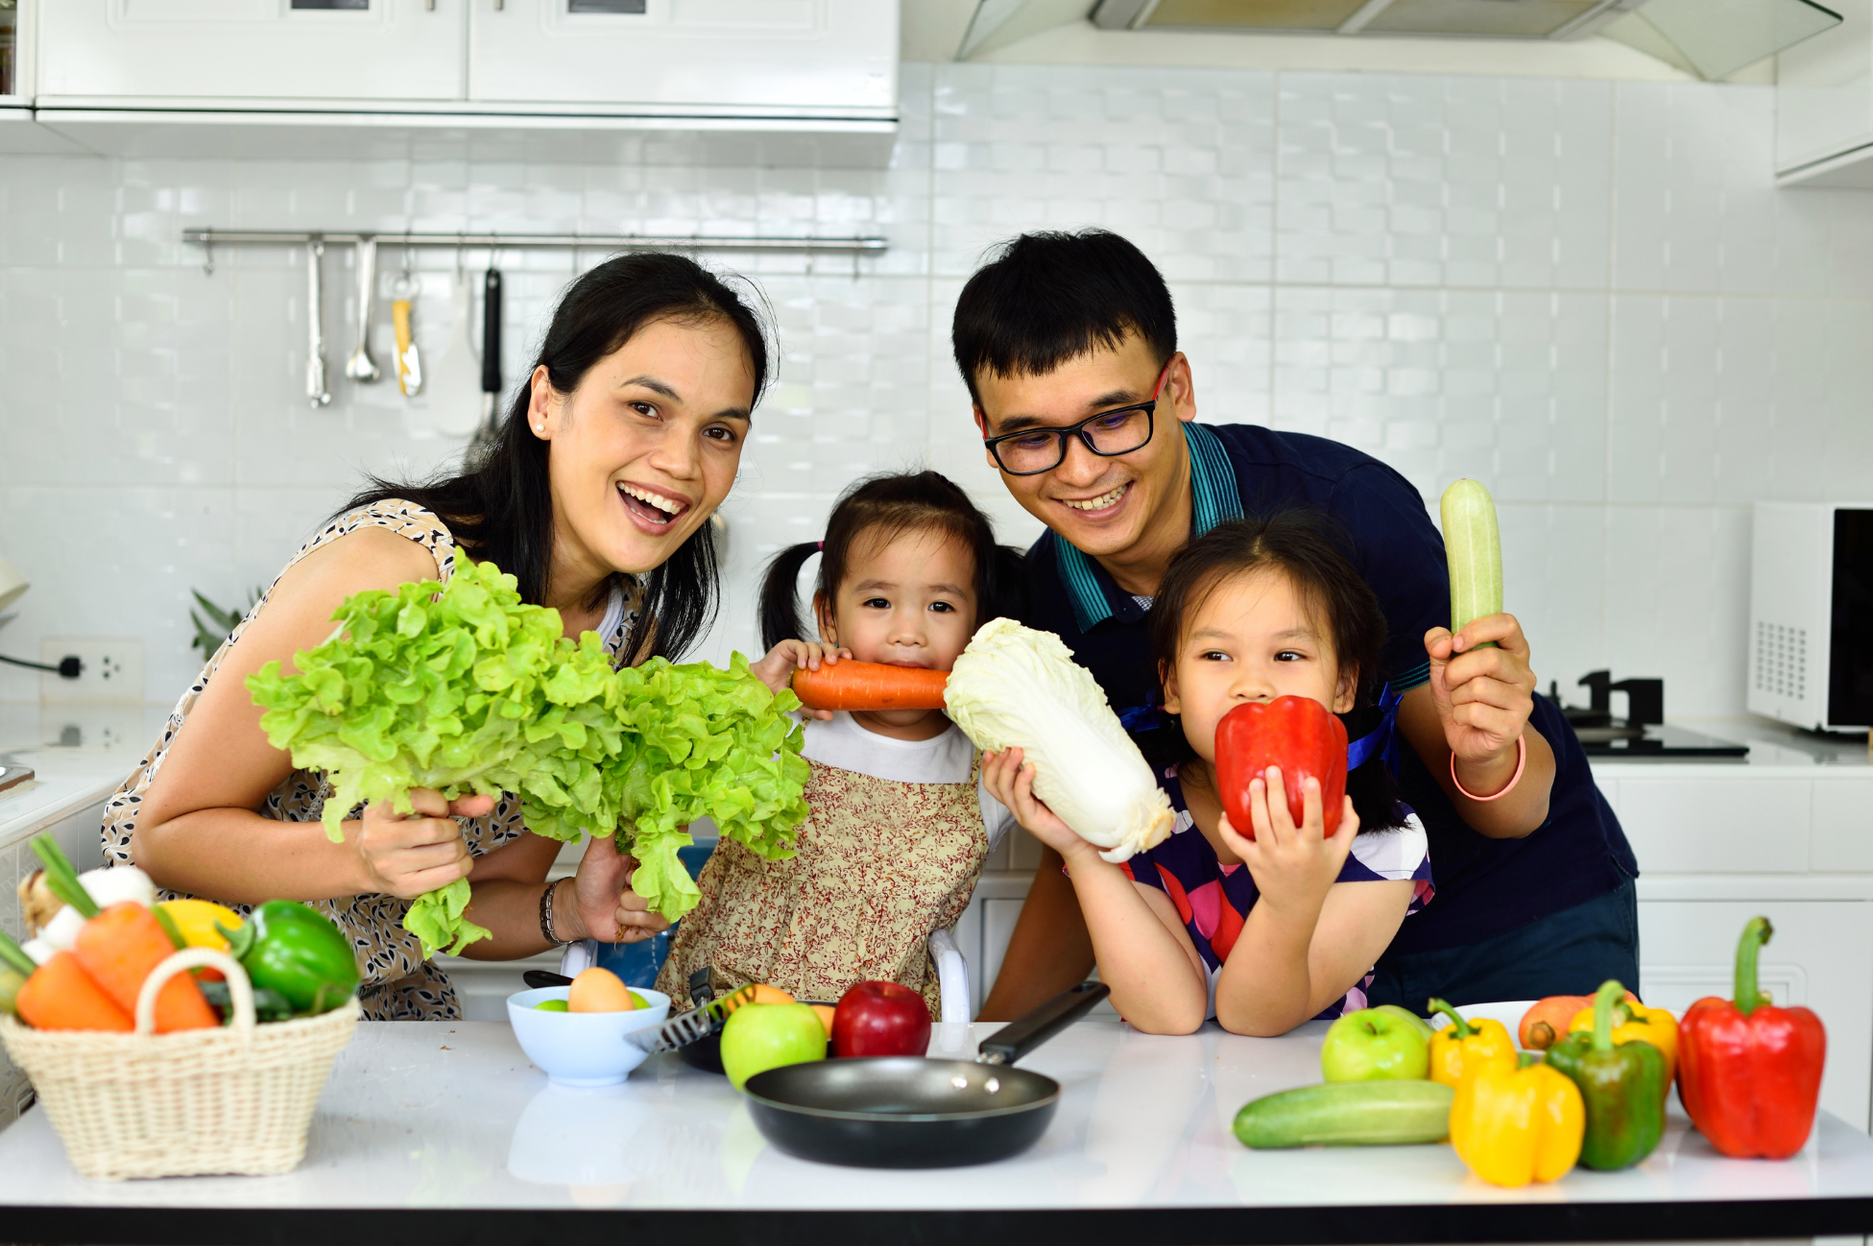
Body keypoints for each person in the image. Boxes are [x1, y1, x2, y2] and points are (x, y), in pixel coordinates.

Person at [960, 229, 1637, 1019]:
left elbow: (1507, 808)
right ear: (986, 433)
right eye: (1031, 437)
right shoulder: (1041, 617)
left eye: (1113, 419)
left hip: (1504, 928)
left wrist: (1490, 748)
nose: (1081, 470)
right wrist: (983, 1045)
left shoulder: (1352, 513)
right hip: (1279, 974)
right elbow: (1097, 843)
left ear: (1176, 388)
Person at [102, 252, 770, 1020]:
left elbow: (467, 902)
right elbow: (163, 835)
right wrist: (360, 853)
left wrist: (571, 908)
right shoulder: (394, 568)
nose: (682, 462)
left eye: (719, 431)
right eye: (645, 408)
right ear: (545, 404)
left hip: (379, 1003)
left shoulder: (623, 637)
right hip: (204, 990)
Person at [984, 513, 1431, 1035]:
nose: (1252, 684)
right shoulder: (1139, 811)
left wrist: (1291, 902)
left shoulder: (1383, 843)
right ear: (1172, 686)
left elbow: (1254, 1019)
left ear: (1344, 687)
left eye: (1288, 654)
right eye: (1216, 654)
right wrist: (1081, 852)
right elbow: (1168, 1014)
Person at [655, 471, 1023, 1016]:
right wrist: (746, 699)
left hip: (882, 1037)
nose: (909, 632)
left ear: (978, 627)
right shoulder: (783, 723)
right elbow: (659, 777)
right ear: (829, 617)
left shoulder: (989, 769)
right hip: (720, 1017)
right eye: (878, 601)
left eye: (941, 607)